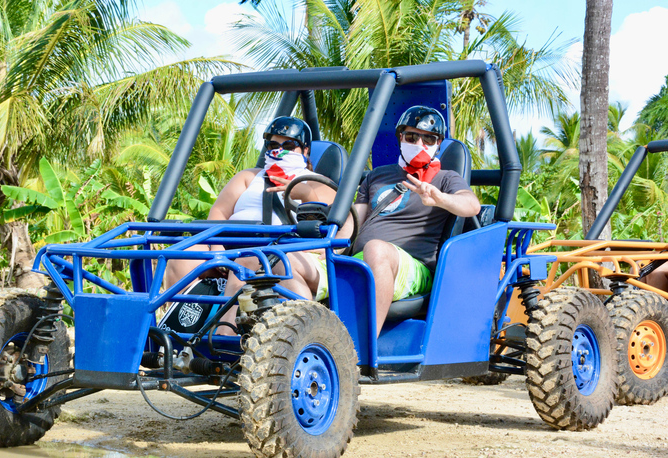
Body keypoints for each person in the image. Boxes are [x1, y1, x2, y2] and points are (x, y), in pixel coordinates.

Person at [164, 116, 336, 305]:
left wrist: (306, 194)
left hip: (280, 252)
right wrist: (218, 250)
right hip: (231, 248)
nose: (279, 151)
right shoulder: (248, 177)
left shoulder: (319, 183)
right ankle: (180, 327)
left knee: (250, 259)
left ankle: (226, 331)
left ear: (305, 150)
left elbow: (326, 226)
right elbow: (219, 212)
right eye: (272, 146)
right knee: (182, 256)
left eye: (288, 146)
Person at [351, 105, 481, 335]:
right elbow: (354, 223)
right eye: (412, 137)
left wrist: (441, 199)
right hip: (359, 259)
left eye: (429, 139)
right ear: (400, 137)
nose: (420, 144)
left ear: (438, 144)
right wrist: (324, 247)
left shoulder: (446, 179)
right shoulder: (376, 175)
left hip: (412, 267)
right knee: (288, 260)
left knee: (376, 250)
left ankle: (359, 356)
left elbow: (471, 205)